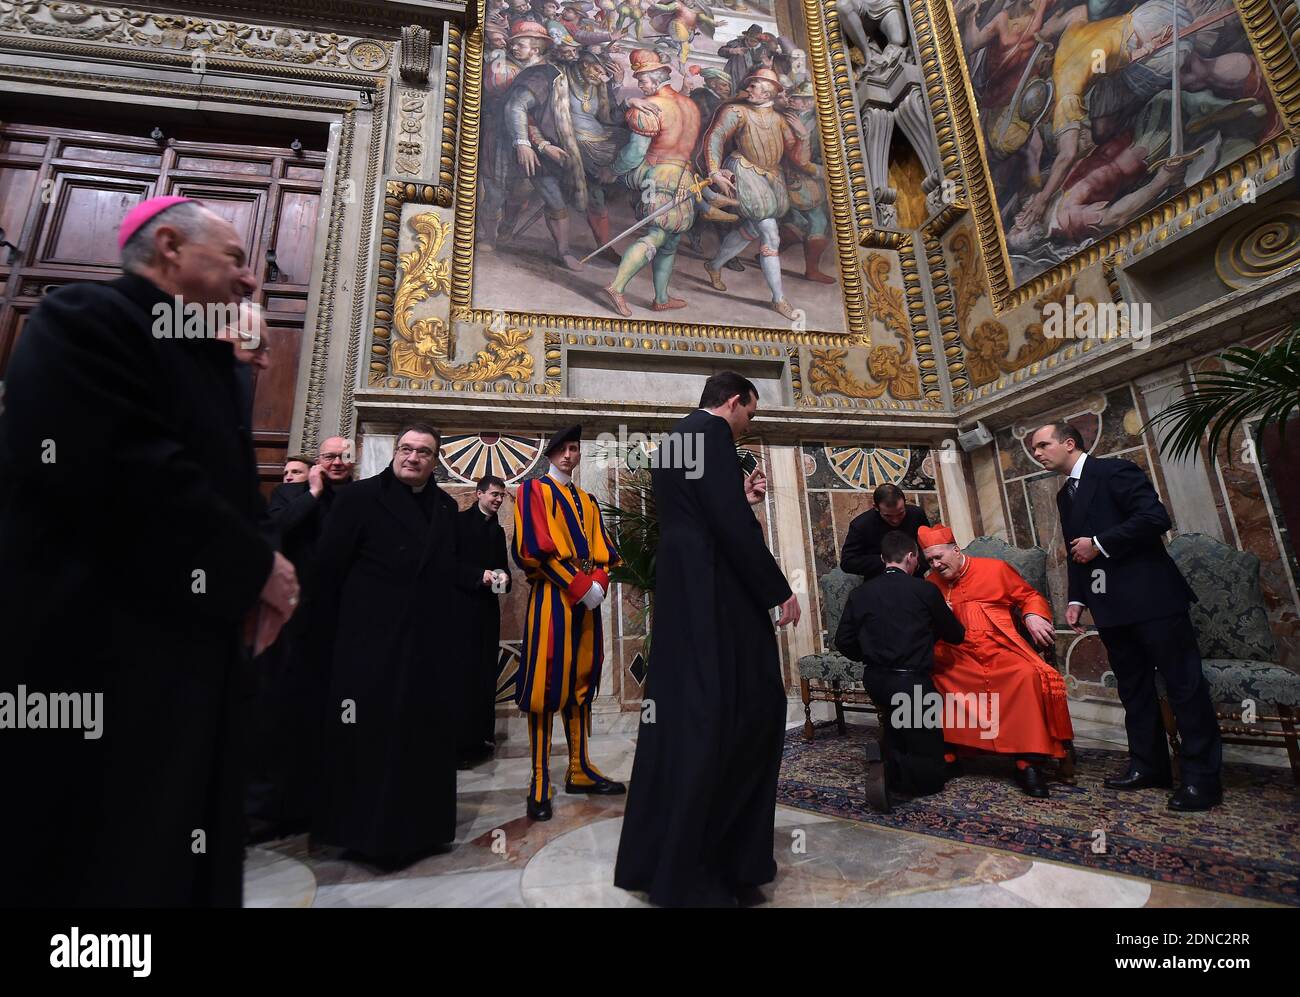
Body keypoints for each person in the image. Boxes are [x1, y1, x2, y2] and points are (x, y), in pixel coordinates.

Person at [0, 195, 298, 906]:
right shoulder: (84, 320)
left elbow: (220, 488)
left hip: (185, 662)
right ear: (169, 246)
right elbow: (127, 465)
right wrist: (258, 565)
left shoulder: (207, 361)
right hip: (95, 651)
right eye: (233, 258)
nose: (251, 278)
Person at [615, 371, 801, 907]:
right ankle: (716, 866)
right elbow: (725, 525)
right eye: (751, 414)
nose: (748, 426)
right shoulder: (713, 437)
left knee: (690, 716)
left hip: (686, 594)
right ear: (736, 401)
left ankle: (669, 861)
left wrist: (740, 497)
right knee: (750, 711)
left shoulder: (676, 439)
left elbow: (700, 514)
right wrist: (777, 588)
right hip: (719, 595)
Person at [1030, 421, 1222, 811]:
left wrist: (1100, 543)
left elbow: (1155, 519)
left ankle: (1202, 780)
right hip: (1110, 606)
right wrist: (1077, 599)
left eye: (1043, 445)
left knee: (1184, 689)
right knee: (1133, 689)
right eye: (1034, 449)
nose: (1037, 453)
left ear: (1069, 443)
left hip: (1153, 599)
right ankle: (1148, 766)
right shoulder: (1066, 494)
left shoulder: (1114, 471)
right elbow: (1075, 551)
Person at [310, 424, 478, 866]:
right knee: (369, 739)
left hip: (428, 646)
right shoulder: (358, 498)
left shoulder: (444, 506)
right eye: (406, 448)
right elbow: (327, 572)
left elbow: (447, 572)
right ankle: (361, 833)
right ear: (395, 453)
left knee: (419, 738)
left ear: (435, 460)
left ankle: (421, 831)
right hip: (369, 645)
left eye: (424, 451)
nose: (412, 457)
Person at [245, 436, 356, 841]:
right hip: (288, 623)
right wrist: (311, 492)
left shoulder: (356, 499)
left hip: (333, 622)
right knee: (277, 713)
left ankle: (313, 803)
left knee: (323, 715)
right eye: (330, 456)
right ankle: (268, 809)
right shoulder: (289, 493)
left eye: (345, 456)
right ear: (317, 461)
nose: (338, 462)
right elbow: (275, 531)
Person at [512, 425, 624, 821]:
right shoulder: (532, 492)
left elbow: (606, 553)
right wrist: (579, 585)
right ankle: (540, 779)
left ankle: (580, 768)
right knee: (546, 684)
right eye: (561, 448)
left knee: (580, 683)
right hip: (552, 599)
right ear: (550, 453)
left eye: (574, 449)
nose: (568, 455)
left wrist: (598, 584)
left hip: (587, 601)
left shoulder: (588, 500)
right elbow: (533, 550)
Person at [920, 523, 1074, 798]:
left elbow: (1029, 596)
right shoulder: (931, 583)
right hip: (958, 651)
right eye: (930, 560)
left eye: (939, 557)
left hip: (1001, 646)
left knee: (1026, 675)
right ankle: (950, 754)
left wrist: (1032, 615)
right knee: (935, 676)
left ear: (955, 550)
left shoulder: (995, 569)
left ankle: (1027, 762)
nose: (936, 564)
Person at [835, 531, 965, 812]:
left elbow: (842, 641)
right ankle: (889, 770)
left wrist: (870, 656)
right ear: (911, 558)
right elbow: (955, 635)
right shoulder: (925, 590)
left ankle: (888, 751)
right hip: (911, 682)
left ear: (883, 559)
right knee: (933, 773)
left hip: (876, 680)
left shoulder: (860, 593)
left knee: (900, 725)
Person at [603, 49, 703, 317]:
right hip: (684, 176)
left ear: (655, 79)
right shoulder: (691, 106)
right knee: (668, 238)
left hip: (658, 174)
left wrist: (612, 170)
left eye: (643, 81)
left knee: (663, 237)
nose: (641, 87)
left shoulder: (649, 109)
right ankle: (642, 293)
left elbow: (634, 154)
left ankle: (629, 290)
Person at [458, 474, 513, 766]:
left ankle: (482, 737)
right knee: (463, 675)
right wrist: (477, 575)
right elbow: (448, 564)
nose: (498, 500)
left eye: (502, 495)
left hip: (487, 612)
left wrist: (502, 578)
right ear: (478, 493)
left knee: (484, 673)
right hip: (461, 611)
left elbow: (503, 569)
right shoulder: (458, 523)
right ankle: (461, 743)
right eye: (493, 494)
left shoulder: (498, 530)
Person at [840, 482, 931, 580]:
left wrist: (915, 564)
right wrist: (889, 561)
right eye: (888, 516)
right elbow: (848, 562)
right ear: (876, 507)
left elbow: (930, 547)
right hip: (878, 581)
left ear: (905, 502)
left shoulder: (917, 514)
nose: (896, 520)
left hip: (914, 577)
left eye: (900, 513)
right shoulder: (861, 525)